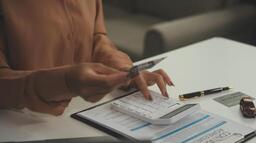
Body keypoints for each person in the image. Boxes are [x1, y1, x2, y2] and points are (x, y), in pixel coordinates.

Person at [0, 0, 173, 116]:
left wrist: (124, 71)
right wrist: (64, 82)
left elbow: (97, 39)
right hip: (19, 127)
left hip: (82, 117)